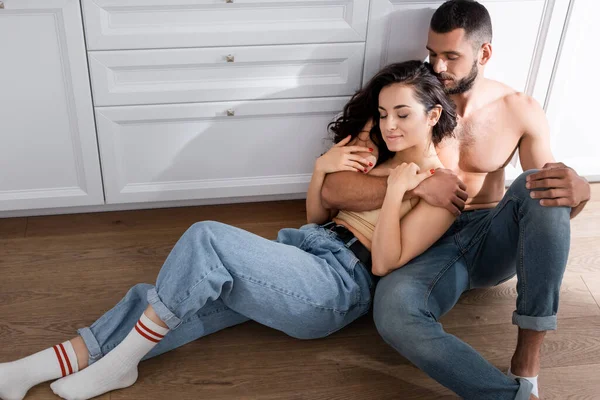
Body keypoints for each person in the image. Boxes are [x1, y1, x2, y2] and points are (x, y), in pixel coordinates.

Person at [0, 60, 459, 400]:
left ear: (432, 116)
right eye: (382, 114)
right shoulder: (383, 158)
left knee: (206, 238)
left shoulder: (440, 191)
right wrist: (321, 170)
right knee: (168, 295)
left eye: (401, 113)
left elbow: (382, 263)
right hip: (303, 249)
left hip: (337, 286)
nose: (388, 125)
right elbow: (318, 218)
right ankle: (30, 369)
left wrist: (399, 191)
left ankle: (121, 364)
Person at [321, 1, 592, 399]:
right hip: (423, 245)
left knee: (541, 181)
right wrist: (414, 188)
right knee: (393, 313)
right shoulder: (406, 103)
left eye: (451, 56)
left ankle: (528, 361)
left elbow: (550, 201)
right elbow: (334, 191)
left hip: (487, 237)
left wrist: (581, 193)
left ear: (484, 54)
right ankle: (509, 396)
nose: (438, 66)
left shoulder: (519, 110)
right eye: (432, 53)